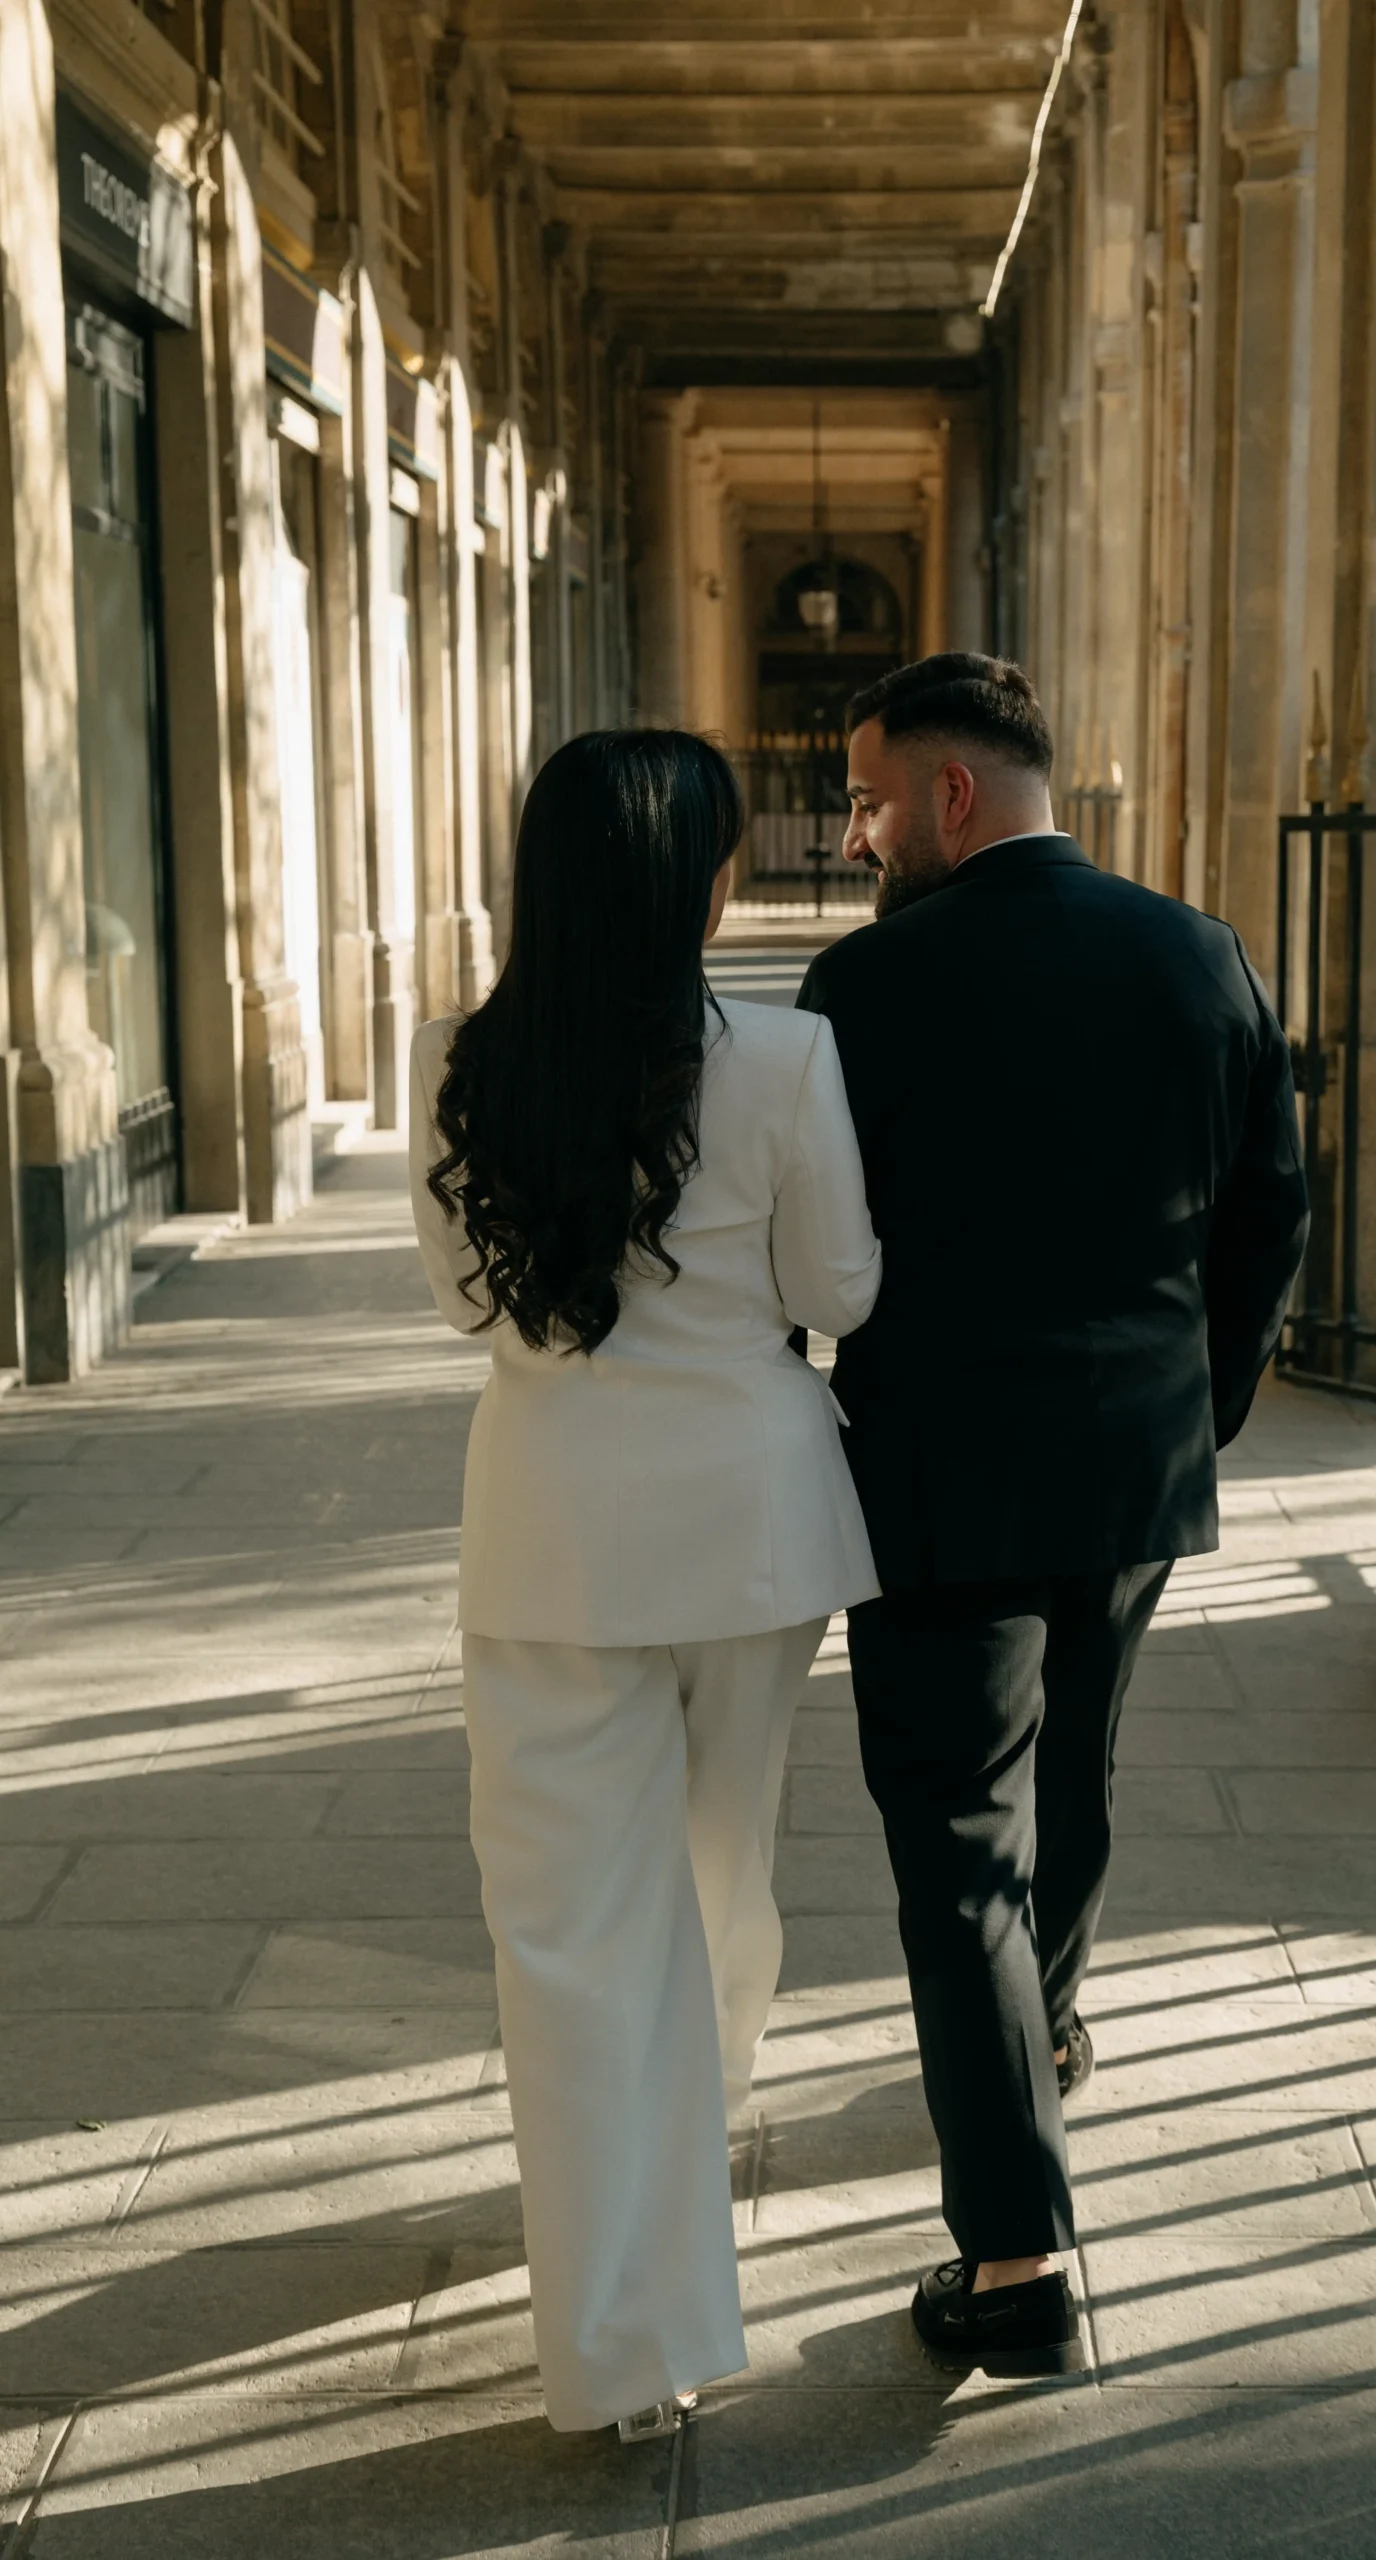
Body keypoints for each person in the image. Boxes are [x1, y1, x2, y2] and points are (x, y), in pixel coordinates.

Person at [797, 653, 1310, 2378]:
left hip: (937, 1474)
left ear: (951, 794)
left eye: (870, 801)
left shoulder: (861, 990)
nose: (859, 837)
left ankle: (1013, 2266)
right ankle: (1050, 2026)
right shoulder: (1202, 955)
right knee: (1072, 1769)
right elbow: (1266, 1219)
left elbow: (819, 1249)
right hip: (1132, 1468)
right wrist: (1199, 1405)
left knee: (956, 1846)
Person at [409, 730, 881, 2436]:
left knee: (566, 1937)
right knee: (716, 1883)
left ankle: (619, 2337)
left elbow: (476, 1311)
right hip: (751, 1525)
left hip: (547, 1531)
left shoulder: (457, 1062)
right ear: (708, 880)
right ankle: (690, 2147)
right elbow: (843, 1286)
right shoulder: (787, 1054)